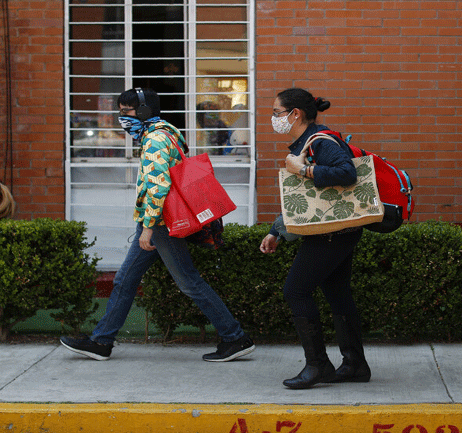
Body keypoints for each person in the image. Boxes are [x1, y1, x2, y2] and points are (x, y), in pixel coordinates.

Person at [60, 88, 255, 362]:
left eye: (126, 112)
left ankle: (235, 337)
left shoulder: (154, 139)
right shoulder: (167, 133)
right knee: (125, 280)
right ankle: (101, 341)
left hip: (161, 223)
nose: (121, 118)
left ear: (142, 112)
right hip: (155, 220)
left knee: (188, 282)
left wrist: (149, 227)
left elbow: (158, 186)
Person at [259, 88, 371, 389]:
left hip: (332, 233)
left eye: (276, 112)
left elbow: (347, 174)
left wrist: (304, 168)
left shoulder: (321, 141)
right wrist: (277, 230)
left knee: (295, 291)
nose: (273, 118)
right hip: (336, 230)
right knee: (338, 294)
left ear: (295, 114)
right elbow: (312, 200)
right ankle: (355, 364)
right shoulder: (309, 141)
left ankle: (318, 365)